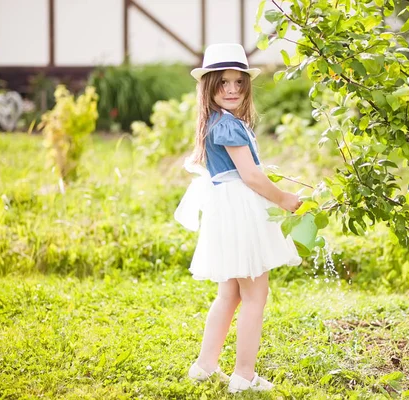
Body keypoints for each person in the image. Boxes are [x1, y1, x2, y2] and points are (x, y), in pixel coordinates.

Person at [174, 43, 303, 393]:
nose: (231, 89)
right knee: (254, 296)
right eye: (222, 83)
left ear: (246, 86)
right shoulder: (228, 126)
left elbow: (243, 171)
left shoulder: (218, 122)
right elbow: (251, 177)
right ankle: (244, 376)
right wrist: (285, 199)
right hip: (240, 212)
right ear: (208, 86)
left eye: (238, 83)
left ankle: (205, 364)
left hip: (227, 211)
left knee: (229, 293)